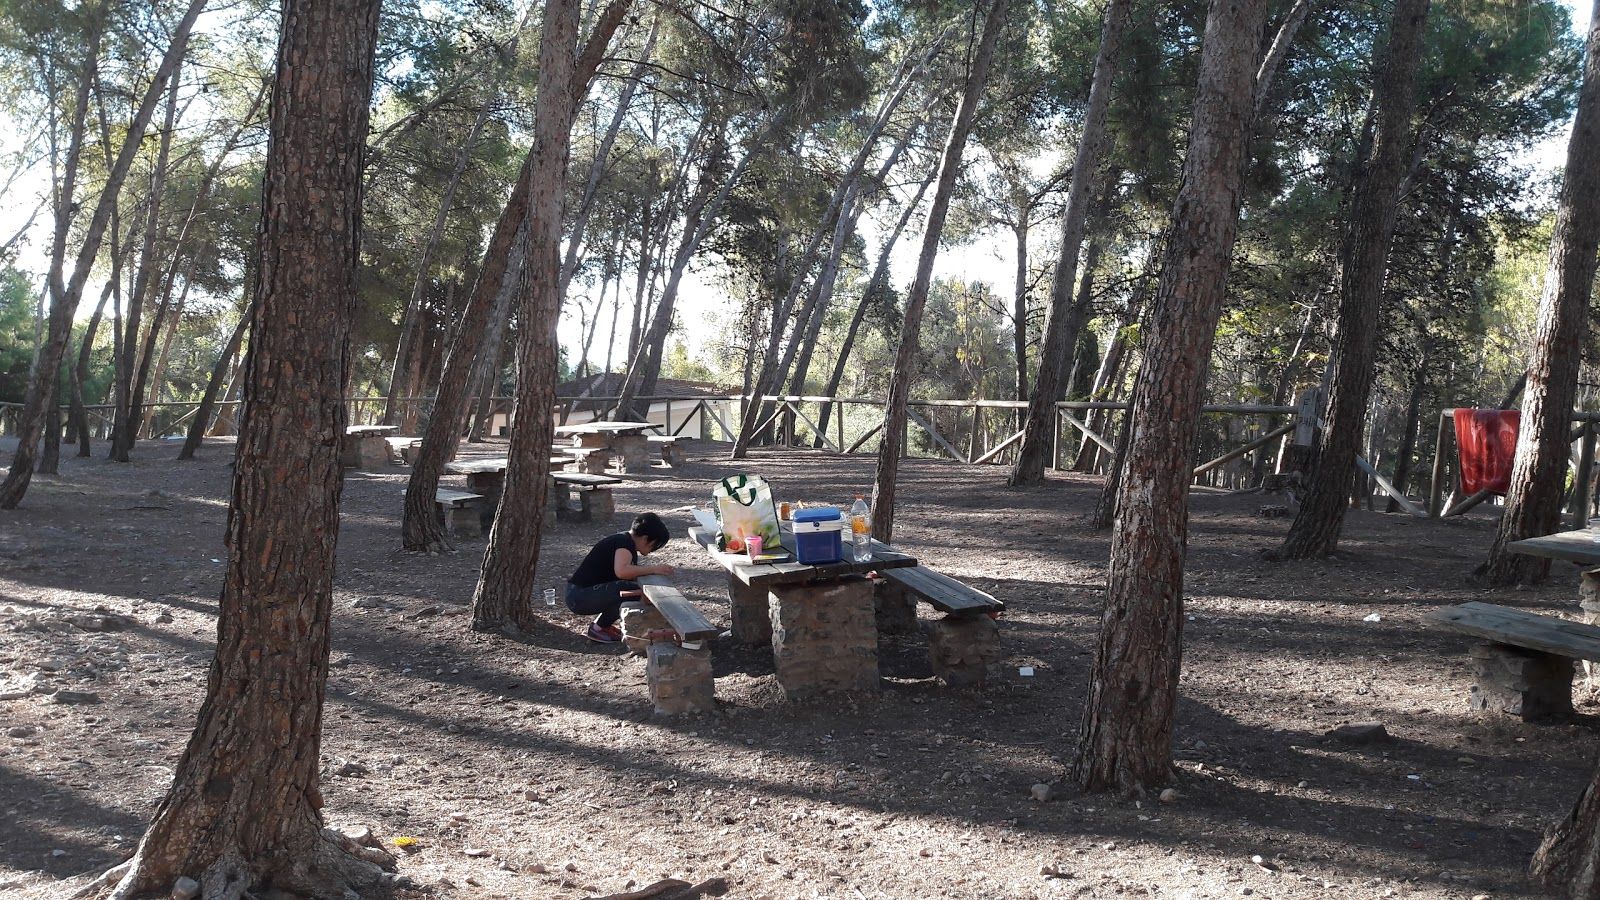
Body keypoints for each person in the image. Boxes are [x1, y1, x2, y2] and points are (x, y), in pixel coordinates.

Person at [566, 512, 675, 643]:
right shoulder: (624, 543)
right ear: (646, 539)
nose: (654, 549)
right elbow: (622, 572)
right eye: (655, 545)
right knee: (631, 591)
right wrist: (653, 569)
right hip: (580, 597)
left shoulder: (624, 541)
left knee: (630, 590)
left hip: (579, 595)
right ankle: (599, 628)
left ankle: (600, 626)